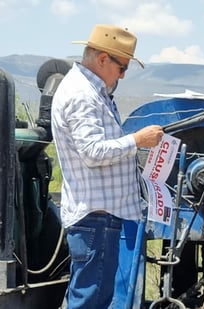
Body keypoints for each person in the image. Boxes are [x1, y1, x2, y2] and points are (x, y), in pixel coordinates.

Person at [51, 24, 164, 308]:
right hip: (95, 219)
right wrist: (137, 140)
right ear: (103, 59)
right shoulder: (82, 95)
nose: (123, 75)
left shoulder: (94, 92)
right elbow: (91, 151)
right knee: (90, 300)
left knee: (95, 298)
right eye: (122, 67)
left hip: (99, 218)